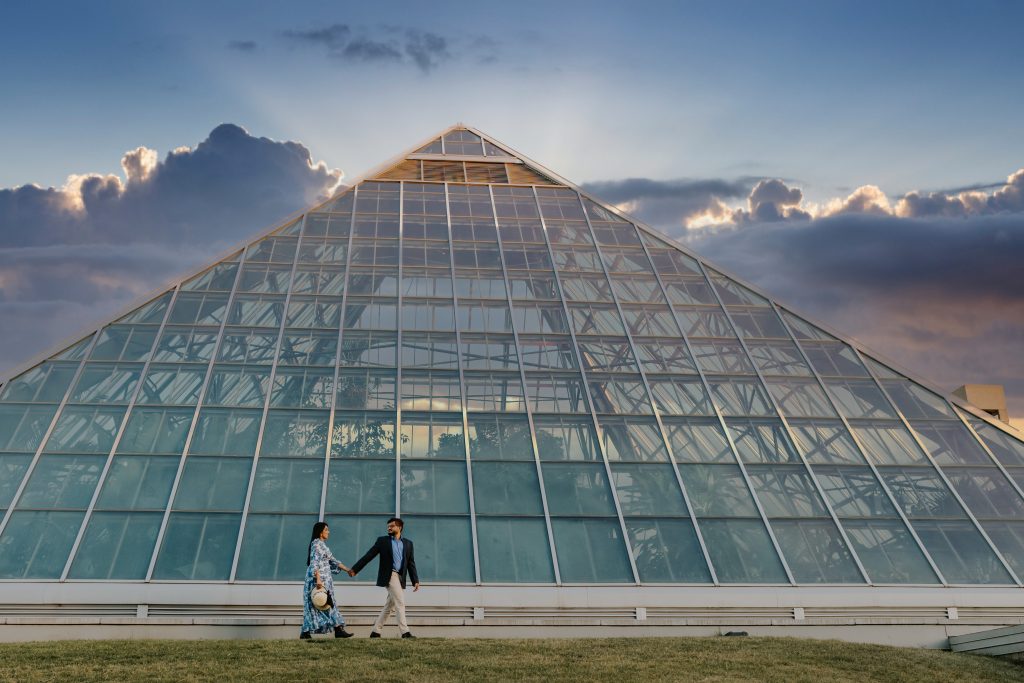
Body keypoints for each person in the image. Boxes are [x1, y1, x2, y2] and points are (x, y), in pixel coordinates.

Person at [348, 517, 420, 638]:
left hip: (400, 577)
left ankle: (376, 631)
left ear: (399, 527)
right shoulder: (383, 541)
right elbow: (369, 555)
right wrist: (355, 569)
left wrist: (415, 580)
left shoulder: (408, 543)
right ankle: (405, 632)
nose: (389, 528)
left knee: (389, 606)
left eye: (392, 526)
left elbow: (411, 563)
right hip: (389, 575)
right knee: (400, 602)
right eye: (388, 526)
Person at [301, 521, 354, 640]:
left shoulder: (322, 545)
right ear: (320, 532)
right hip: (318, 580)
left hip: (325, 580)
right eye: (326, 530)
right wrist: (318, 579)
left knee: (326, 604)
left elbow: (333, 560)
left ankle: (336, 629)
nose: (328, 532)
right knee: (321, 604)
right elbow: (315, 562)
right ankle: (337, 629)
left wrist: (348, 570)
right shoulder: (316, 544)